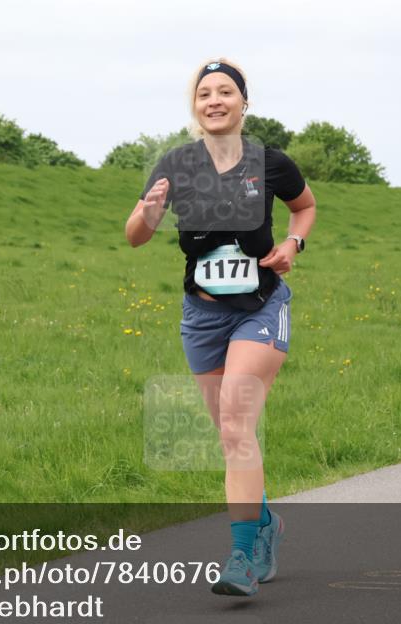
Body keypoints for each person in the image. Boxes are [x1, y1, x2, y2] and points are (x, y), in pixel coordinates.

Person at [124, 58, 316, 596]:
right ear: (195, 105)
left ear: (243, 102)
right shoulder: (177, 164)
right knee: (231, 435)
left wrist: (293, 244)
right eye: (204, 93)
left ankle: (241, 558)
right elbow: (135, 234)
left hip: (260, 307)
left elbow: (305, 207)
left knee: (235, 426)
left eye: (225, 91)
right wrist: (149, 214)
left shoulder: (270, 162)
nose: (214, 100)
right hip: (202, 316)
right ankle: (265, 524)